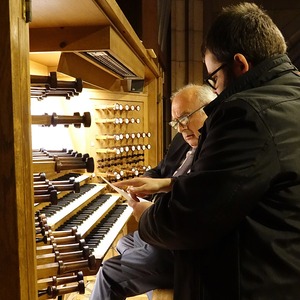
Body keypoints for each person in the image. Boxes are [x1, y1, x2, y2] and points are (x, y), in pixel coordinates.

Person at [113, 2, 300, 300]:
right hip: (279, 274)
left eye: (214, 78)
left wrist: (146, 215)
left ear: (240, 64)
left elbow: (187, 221)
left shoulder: (246, 113)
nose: (216, 88)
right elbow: (236, 186)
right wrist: (167, 184)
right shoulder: (292, 96)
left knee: (114, 271)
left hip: (244, 284)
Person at [90, 84, 216, 300]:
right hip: (161, 233)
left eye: (185, 118)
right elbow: (161, 170)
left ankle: (150, 269)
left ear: (209, 110)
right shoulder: (181, 140)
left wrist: (150, 213)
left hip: (180, 242)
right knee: (125, 242)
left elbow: (196, 203)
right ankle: (149, 271)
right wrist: (147, 180)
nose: (180, 127)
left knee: (108, 273)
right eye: (176, 121)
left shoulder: (214, 149)